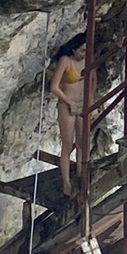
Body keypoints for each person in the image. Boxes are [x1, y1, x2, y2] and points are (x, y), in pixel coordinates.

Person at [47, 32, 89, 196]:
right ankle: (66, 183)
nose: (84, 54)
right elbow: (54, 86)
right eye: (82, 50)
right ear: (74, 49)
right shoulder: (65, 61)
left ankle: (81, 174)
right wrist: (69, 102)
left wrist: (90, 99)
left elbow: (91, 80)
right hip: (67, 104)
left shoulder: (87, 60)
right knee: (68, 145)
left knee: (82, 143)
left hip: (81, 104)